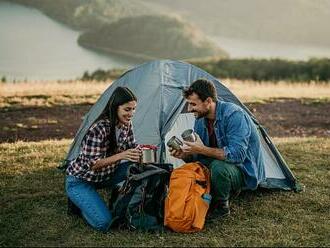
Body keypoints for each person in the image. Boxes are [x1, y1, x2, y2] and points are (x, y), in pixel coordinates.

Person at [170, 79, 266, 217]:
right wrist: (185, 155)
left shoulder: (234, 115)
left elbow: (237, 155)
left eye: (193, 104)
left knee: (218, 167)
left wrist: (201, 149)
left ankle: (221, 206)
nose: (190, 109)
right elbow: (201, 158)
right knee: (192, 168)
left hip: (243, 169)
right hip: (220, 164)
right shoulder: (200, 120)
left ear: (208, 101)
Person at [65, 86, 141, 232]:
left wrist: (142, 151)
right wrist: (122, 155)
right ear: (115, 108)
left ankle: (135, 202)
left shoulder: (126, 124)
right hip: (80, 180)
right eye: (127, 109)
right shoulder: (99, 128)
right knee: (104, 223)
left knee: (138, 167)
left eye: (133, 109)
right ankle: (79, 204)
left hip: (106, 176)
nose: (131, 113)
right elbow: (92, 164)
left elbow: (133, 146)